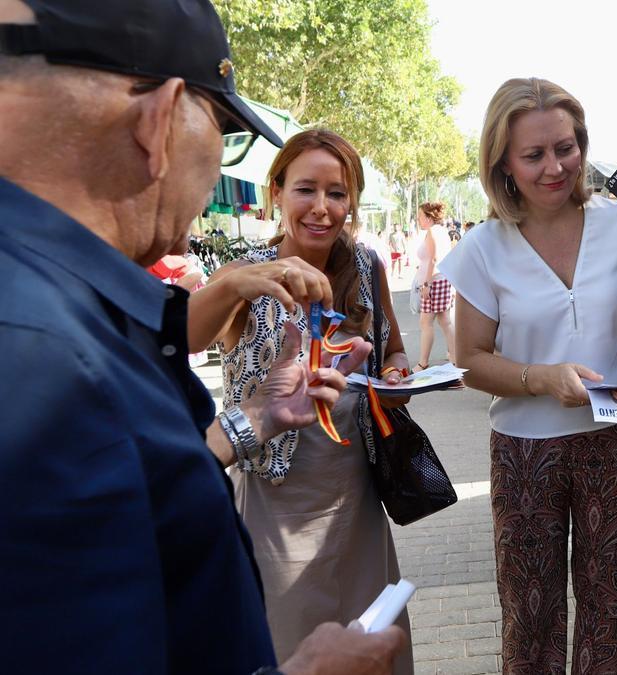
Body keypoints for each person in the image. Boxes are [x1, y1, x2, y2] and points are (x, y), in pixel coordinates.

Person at [0, 0, 406, 673]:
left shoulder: (58, 316)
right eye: (222, 128)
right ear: (161, 120)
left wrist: (255, 417)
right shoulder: (42, 360)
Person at [439, 77, 617, 673]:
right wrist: (543, 379)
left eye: (565, 148)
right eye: (534, 154)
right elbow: (469, 359)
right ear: (504, 164)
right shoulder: (483, 248)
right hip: (525, 453)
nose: (555, 167)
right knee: (530, 617)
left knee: (610, 612)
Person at [189, 129, 415, 672]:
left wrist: (397, 376)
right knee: (287, 644)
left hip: (356, 493)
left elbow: (394, 349)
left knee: (367, 643)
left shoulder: (366, 267)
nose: (322, 208)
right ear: (276, 192)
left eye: (337, 193)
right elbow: (185, 339)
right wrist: (232, 286)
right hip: (275, 503)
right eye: (305, 189)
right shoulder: (245, 273)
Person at [414, 201, 456, 370]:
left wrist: (426, 284)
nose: (419, 220)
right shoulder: (442, 232)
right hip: (441, 279)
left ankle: (423, 362)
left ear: (429, 218)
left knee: (426, 322)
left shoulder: (432, 232)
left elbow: (433, 259)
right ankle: (455, 358)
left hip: (434, 281)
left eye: (420, 217)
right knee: (445, 321)